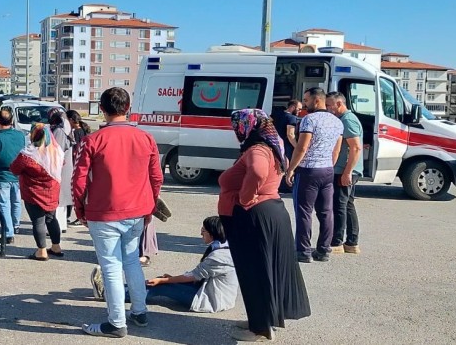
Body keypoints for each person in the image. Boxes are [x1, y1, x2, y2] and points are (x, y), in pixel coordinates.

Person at [72, 87, 163, 339]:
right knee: (132, 260)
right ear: (128, 108)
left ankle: (116, 322)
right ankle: (140, 311)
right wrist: (150, 205)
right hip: (136, 211)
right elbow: (156, 177)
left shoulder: (92, 141)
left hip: (104, 212)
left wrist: (80, 208)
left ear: (102, 109)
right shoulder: (146, 138)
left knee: (110, 266)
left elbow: (78, 180)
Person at [219, 109, 311, 342]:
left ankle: (259, 328)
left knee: (254, 272)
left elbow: (258, 171)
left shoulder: (257, 149)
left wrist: (246, 197)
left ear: (246, 128)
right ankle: (262, 319)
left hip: (254, 215)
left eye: (237, 127)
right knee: (266, 270)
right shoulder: (273, 144)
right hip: (270, 212)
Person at [91, 216, 237, 314]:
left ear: (213, 233)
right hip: (201, 287)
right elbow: (197, 274)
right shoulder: (223, 245)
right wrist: (169, 278)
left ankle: (108, 294)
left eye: (203, 231)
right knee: (160, 282)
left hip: (209, 299)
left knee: (161, 286)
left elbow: (194, 275)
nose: (201, 234)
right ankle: (115, 289)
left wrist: (164, 280)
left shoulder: (220, 256)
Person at [285, 87, 344, 263]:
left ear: (317, 100)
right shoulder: (337, 122)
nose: (304, 104)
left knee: (304, 211)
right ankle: (324, 249)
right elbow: (337, 149)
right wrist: (329, 165)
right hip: (327, 170)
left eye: (307, 100)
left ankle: (303, 251)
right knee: (326, 212)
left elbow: (302, 147)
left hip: (309, 170)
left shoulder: (308, 120)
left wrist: (291, 169)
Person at [10, 124, 65, 261]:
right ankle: (56, 246)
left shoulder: (28, 154)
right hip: (52, 190)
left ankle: (41, 251)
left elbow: (14, 169)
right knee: (52, 219)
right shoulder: (56, 151)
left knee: (38, 220)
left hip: (33, 191)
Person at [326, 91, 363, 254]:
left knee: (339, 205)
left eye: (329, 105)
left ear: (339, 104)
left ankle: (337, 242)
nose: (327, 108)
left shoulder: (347, 120)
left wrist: (347, 172)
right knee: (347, 205)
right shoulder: (343, 119)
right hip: (344, 169)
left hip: (344, 170)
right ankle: (352, 243)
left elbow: (355, 147)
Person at [0, 108, 25, 244]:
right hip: (19, 174)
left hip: (2, 175)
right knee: (16, 201)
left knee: (4, 204)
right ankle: (16, 225)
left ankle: (8, 233)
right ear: (12, 121)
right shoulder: (20, 135)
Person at [49, 109, 74, 233]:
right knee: (62, 197)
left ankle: (56, 226)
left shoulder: (59, 131)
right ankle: (61, 224)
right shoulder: (65, 129)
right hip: (66, 166)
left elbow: (56, 151)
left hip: (60, 167)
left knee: (58, 197)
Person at [65, 109, 90, 226]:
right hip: (81, 163)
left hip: (75, 163)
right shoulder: (82, 130)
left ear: (70, 120)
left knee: (75, 191)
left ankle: (76, 215)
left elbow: (76, 149)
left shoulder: (76, 132)